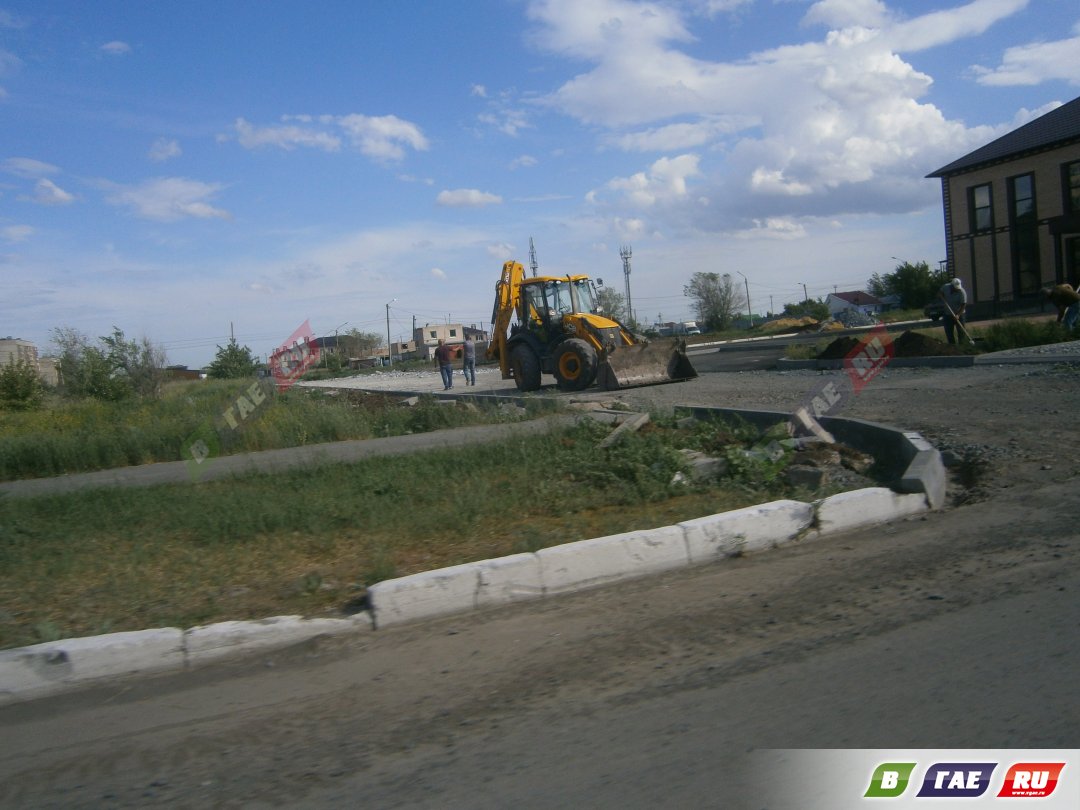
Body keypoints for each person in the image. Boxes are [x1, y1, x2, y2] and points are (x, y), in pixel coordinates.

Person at [937, 277, 967, 344]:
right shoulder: (945, 287)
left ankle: (962, 347)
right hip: (947, 314)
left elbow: (963, 304)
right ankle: (952, 347)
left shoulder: (962, 292)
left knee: (961, 332)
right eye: (955, 288)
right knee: (949, 332)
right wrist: (940, 295)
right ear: (951, 286)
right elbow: (939, 293)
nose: (956, 289)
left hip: (960, 313)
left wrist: (958, 315)